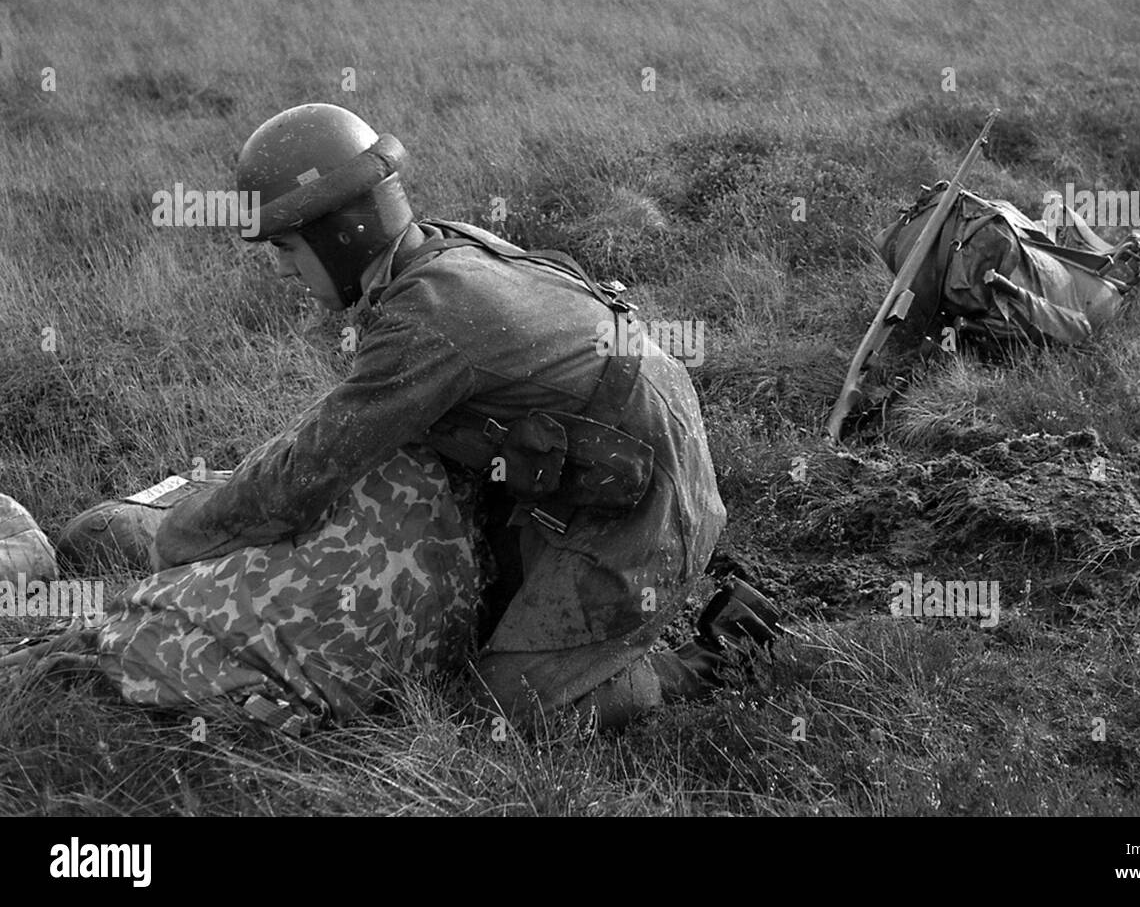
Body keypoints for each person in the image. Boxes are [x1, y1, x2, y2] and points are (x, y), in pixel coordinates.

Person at [59, 103, 782, 732]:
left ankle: (714, 655)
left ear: (340, 232)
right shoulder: (436, 252)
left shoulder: (430, 317)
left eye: (285, 245)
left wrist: (180, 541)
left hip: (642, 503)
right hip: (578, 468)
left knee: (506, 708)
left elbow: (309, 468)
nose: (280, 267)